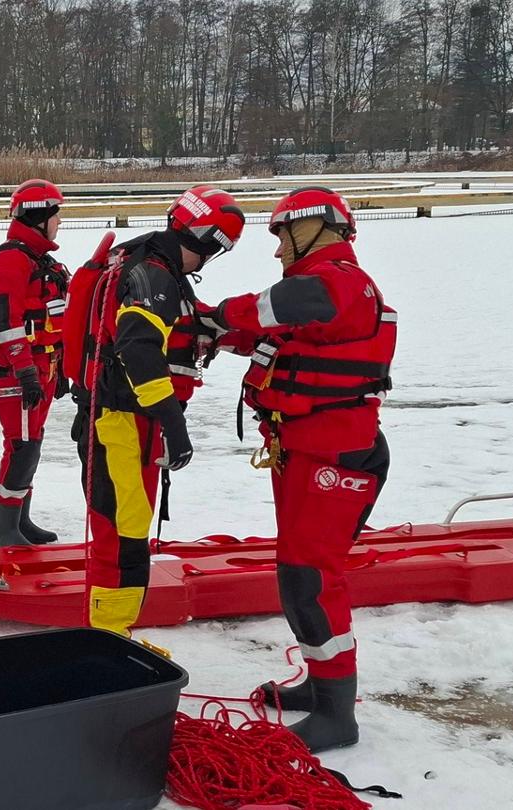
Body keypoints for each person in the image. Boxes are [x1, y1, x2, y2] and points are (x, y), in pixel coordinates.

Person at [199, 186, 396, 752]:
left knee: (309, 581)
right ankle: (320, 683)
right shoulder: (316, 291)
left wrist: (218, 313)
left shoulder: (341, 280)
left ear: (314, 227)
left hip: (338, 458)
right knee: (299, 576)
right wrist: (208, 332)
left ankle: (338, 714)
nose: (277, 248)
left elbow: (285, 306)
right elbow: (272, 337)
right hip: (302, 453)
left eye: (282, 235)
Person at [72, 186, 245, 637]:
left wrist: (238, 328)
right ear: (209, 242)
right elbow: (137, 345)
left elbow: (182, 323)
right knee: (123, 535)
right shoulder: (156, 274)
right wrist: (174, 421)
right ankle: (109, 639)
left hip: (117, 419)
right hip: (125, 423)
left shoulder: (144, 262)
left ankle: (112, 634)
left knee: (123, 529)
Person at [0, 179, 71, 546]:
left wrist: (59, 369)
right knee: (21, 446)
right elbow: (7, 323)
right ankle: (7, 531)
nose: (60, 221)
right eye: (56, 214)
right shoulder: (12, 260)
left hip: (42, 367)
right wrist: (27, 371)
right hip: (16, 371)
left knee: (32, 442)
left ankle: (22, 520)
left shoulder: (39, 260)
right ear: (39, 216)